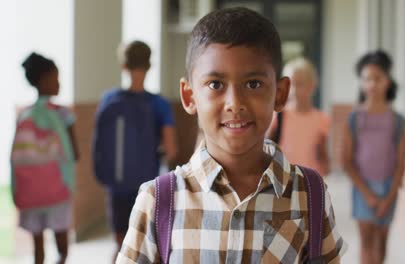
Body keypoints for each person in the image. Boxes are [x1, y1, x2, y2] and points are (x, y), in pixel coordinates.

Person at [117, 8, 344, 263]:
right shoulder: (158, 201)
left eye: (253, 84)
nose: (234, 103)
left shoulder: (309, 194)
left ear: (280, 94)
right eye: (215, 84)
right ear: (189, 96)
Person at [92, 41, 177, 262]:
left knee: (121, 246)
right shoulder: (159, 104)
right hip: (148, 188)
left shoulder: (108, 100)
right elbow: (171, 150)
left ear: (124, 66)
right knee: (148, 248)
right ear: (149, 66)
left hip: (117, 185)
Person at [12, 52, 79, 264]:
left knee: (38, 250)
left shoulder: (24, 115)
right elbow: (74, 153)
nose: (59, 83)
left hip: (31, 196)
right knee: (62, 249)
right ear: (44, 80)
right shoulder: (62, 114)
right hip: (58, 192)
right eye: (56, 78)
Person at [341, 50, 405, 264]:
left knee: (382, 244)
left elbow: (401, 164)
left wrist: (388, 196)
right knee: (367, 243)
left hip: (389, 188)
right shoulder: (354, 118)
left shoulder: (397, 121)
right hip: (363, 188)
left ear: (387, 81)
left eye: (377, 78)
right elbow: (346, 161)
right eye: (367, 79)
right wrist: (368, 194)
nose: (372, 84)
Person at [267, 57, 331, 176]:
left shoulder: (322, 119)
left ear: (312, 85)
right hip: (282, 179)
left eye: (299, 84)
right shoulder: (278, 115)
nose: (294, 90)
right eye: (290, 85)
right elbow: (266, 149)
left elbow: (323, 154)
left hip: (310, 179)